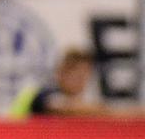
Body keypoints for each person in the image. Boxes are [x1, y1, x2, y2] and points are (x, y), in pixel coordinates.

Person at [13, 48, 145, 118]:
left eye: (85, 77)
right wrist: (125, 113)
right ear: (61, 72)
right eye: (78, 76)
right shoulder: (42, 96)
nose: (82, 83)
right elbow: (66, 108)